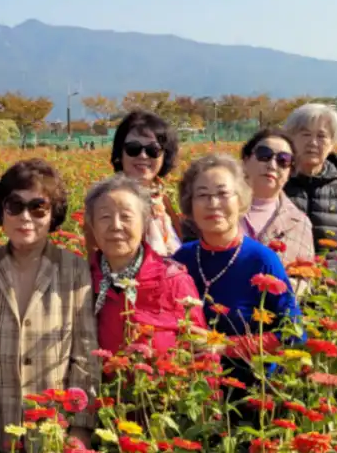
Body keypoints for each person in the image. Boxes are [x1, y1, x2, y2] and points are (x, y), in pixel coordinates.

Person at [0, 159, 99, 453]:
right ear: (1, 211)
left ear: (53, 214)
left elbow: (86, 355)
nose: (25, 217)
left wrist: (80, 428)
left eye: (38, 207)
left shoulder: (73, 270)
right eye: (15, 205)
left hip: (53, 432)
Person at [173, 154, 303, 389]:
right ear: (189, 205)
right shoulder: (183, 258)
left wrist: (225, 346)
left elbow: (293, 332)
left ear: (241, 200)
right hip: (189, 391)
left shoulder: (261, 260)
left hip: (253, 392)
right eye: (202, 195)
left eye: (223, 194)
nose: (213, 203)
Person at [86, 175, 205, 362]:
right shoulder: (82, 279)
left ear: (144, 224)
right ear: (92, 225)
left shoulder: (173, 280)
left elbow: (202, 357)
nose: (116, 226)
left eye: (126, 216)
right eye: (105, 217)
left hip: (165, 389)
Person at [85, 111, 182, 257]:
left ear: (164, 155)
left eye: (153, 150)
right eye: (133, 149)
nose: (143, 156)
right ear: (120, 153)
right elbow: (95, 260)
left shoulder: (165, 201)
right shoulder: (104, 201)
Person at [282, 102, 337, 274]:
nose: (313, 142)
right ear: (290, 139)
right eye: (305, 134)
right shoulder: (275, 186)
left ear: (332, 143)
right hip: (281, 287)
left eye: (321, 136)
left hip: (328, 291)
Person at [238, 129, 316, 293]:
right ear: (245, 160)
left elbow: (306, 279)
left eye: (283, 160)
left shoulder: (299, 223)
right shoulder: (217, 206)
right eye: (264, 155)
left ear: (289, 172)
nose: (272, 165)